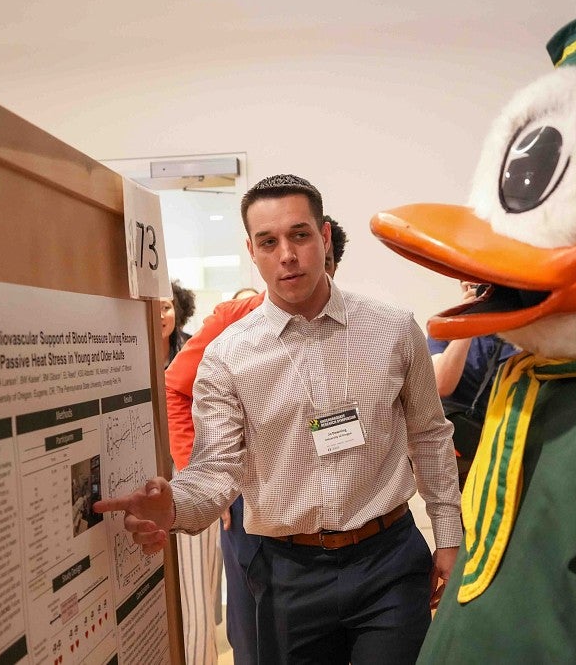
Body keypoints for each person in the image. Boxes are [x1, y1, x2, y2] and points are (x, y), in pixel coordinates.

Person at [99, 174, 461, 665]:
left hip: (389, 561)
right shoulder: (228, 357)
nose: (286, 254)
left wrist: (449, 535)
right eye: (269, 242)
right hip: (288, 572)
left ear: (325, 237)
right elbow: (217, 468)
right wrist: (175, 505)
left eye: (300, 235)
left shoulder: (393, 329)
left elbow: (429, 434)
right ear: (253, 251)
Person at [164, 215, 348, 664]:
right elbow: (175, 387)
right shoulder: (234, 319)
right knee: (256, 621)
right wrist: (203, 476)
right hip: (251, 494)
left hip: (323, 498)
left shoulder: (347, 322)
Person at [427, 281, 518, 485]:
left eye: (484, 284)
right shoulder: (444, 326)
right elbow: (440, 385)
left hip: (507, 454)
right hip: (461, 461)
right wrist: (467, 321)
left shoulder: (523, 333)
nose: (481, 291)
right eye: (471, 284)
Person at [163, 279, 196, 366]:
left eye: (165, 307)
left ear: (177, 310)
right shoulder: (132, 349)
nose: (160, 316)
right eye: (153, 309)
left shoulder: (192, 346)